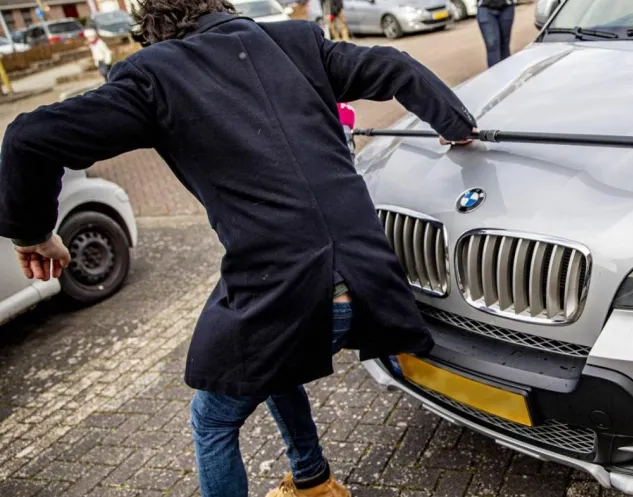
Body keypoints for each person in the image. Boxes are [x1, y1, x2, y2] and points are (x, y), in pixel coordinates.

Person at [0, 1, 476, 496]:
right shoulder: (297, 40)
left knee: (212, 420)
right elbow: (396, 66)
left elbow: (30, 136)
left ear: (156, 33)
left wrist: (31, 232)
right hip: (367, 274)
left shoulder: (157, 73)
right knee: (266, 363)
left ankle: (312, 480)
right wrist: (456, 125)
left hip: (287, 287)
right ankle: (313, 481)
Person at [476, 0, 515, 67]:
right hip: (485, 7)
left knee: (504, 44)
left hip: (506, 7)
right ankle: (496, 75)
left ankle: (508, 74)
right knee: (492, 45)